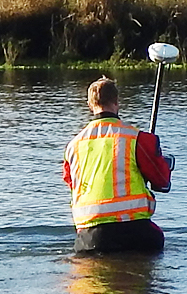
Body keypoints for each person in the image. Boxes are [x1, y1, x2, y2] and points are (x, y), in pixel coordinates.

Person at [62, 75, 173, 254]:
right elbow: (161, 180)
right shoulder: (137, 138)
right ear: (117, 101)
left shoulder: (73, 146)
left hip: (90, 238)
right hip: (134, 231)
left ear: (90, 105)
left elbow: (71, 182)